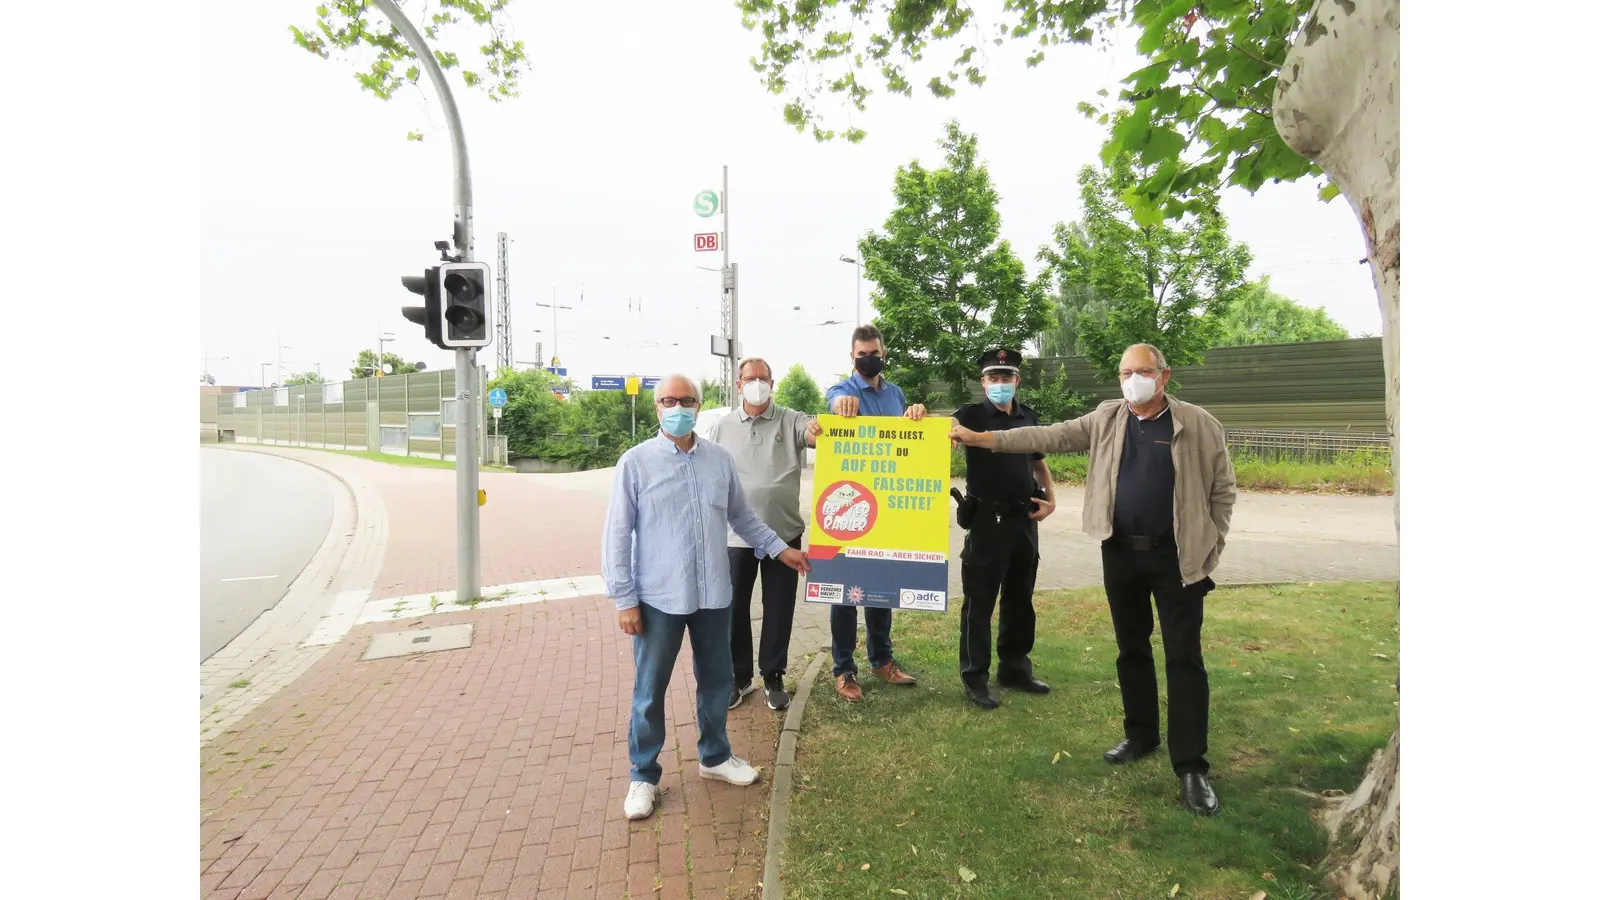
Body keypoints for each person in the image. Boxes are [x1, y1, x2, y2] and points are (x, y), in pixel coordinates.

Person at [949, 344, 1237, 816]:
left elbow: (1222, 491)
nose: (1132, 380)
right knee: (1131, 649)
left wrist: (1212, 546)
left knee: (1184, 658)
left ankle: (1191, 767)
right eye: (1126, 372)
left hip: (1178, 560)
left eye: (1141, 372)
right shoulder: (1107, 417)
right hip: (1120, 552)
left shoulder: (1198, 424)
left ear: (1162, 377)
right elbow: (1047, 435)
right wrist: (981, 439)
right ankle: (1140, 734)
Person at [602, 374, 811, 821]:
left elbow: (743, 517)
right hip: (658, 597)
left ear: (700, 406)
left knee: (717, 682)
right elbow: (617, 535)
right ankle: (643, 774)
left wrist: (781, 549)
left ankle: (715, 756)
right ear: (657, 407)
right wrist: (624, 599)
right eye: (669, 400)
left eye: (687, 400)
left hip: (714, 593)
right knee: (649, 690)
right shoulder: (635, 463)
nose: (678, 407)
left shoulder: (719, 460)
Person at [705, 357, 820, 711]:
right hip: (735, 536)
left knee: (779, 607)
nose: (757, 383)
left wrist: (823, 427)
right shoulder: (722, 428)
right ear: (738, 384)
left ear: (773, 382)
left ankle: (773, 675)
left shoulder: (792, 419)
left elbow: (816, 434)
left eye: (763, 378)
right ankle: (739, 678)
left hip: (784, 533)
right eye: (750, 378)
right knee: (733, 608)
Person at [823, 323, 927, 702]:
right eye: (862, 353)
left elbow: (910, 439)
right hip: (850, 506)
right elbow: (834, 402)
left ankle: (882, 660)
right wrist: (841, 407)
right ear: (852, 357)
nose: (870, 358)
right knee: (847, 593)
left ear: (884, 354)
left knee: (882, 587)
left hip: (888, 505)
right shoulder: (843, 390)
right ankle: (844, 669)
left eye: (875, 352)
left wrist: (915, 413)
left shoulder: (895, 393)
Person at [949, 348, 1056, 710]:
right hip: (986, 521)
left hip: (1024, 520)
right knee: (979, 602)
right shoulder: (969, 416)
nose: (999, 384)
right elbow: (934, 432)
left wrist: (1052, 500)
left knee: (1020, 598)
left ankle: (1015, 668)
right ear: (983, 382)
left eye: (1005, 378)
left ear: (1016, 381)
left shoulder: (1029, 416)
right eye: (993, 378)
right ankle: (975, 676)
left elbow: (1039, 464)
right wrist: (916, 414)